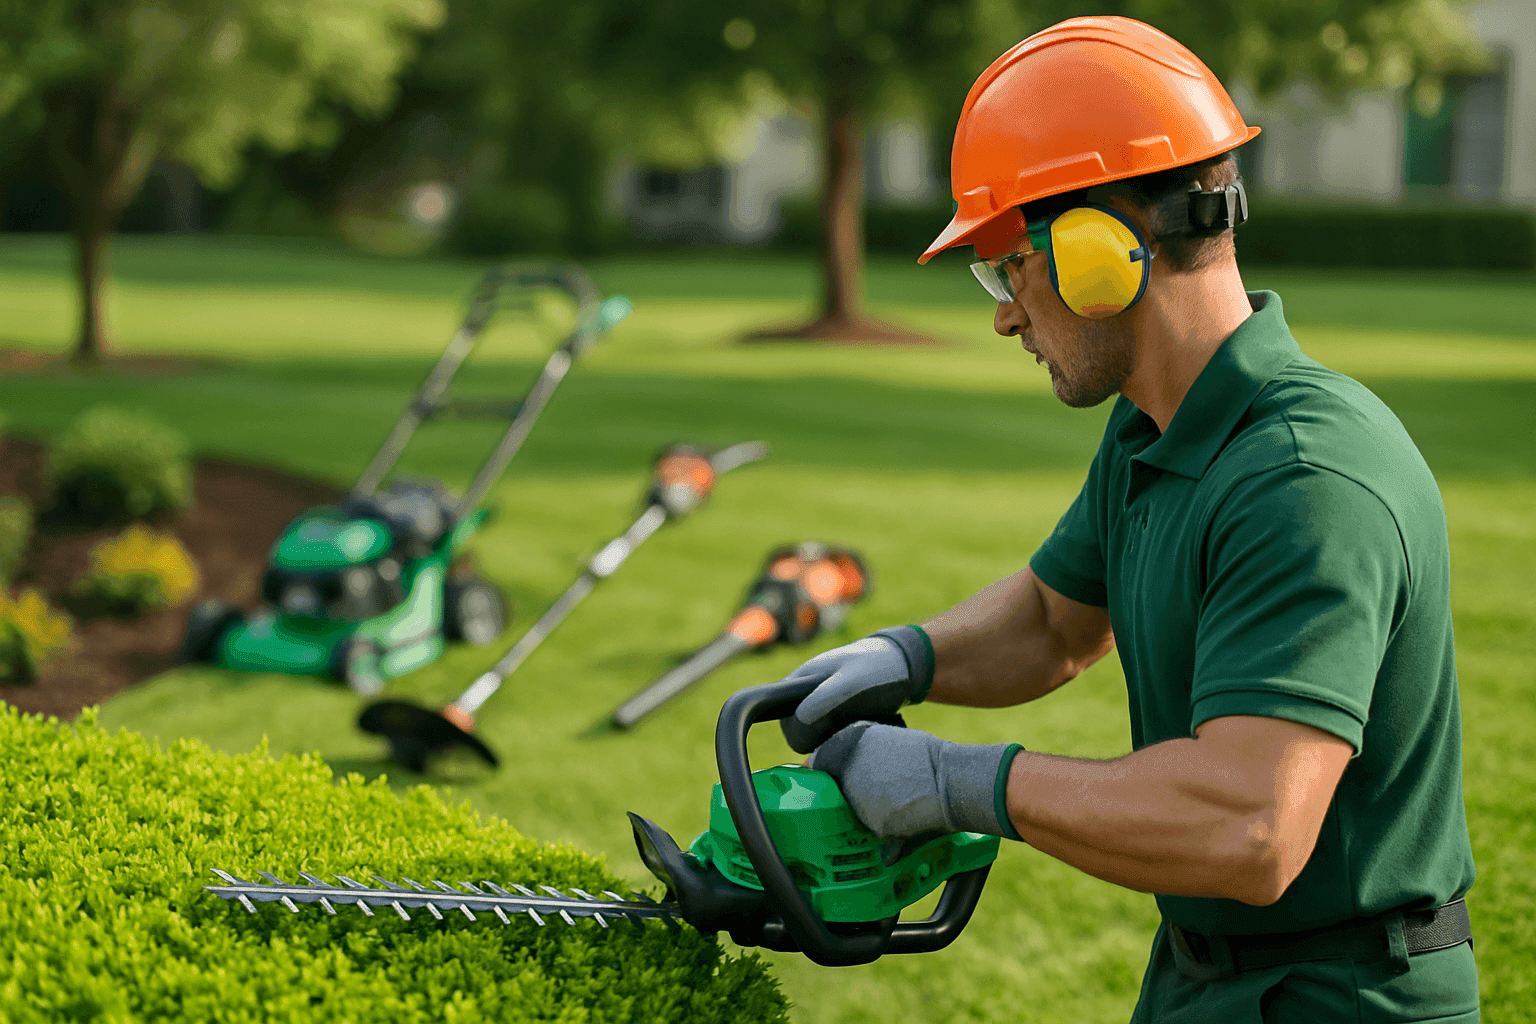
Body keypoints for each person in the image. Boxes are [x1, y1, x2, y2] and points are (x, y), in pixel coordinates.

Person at [780, 16, 1479, 1022]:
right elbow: (1056, 621)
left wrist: (956, 781)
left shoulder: (1304, 479)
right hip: (1204, 978)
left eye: (1007, 268)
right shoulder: (1157, 426)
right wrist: (903, 657)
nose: (1004, 316)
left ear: (1099, 251)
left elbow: (1248, 826)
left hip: (1337, 993)